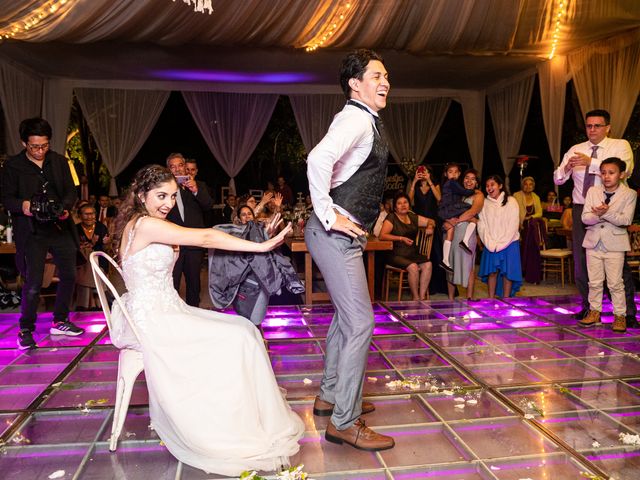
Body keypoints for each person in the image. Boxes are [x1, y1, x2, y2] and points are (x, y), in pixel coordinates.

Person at [109, 165, 303, 475]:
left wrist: (257, 234)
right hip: (155, 319)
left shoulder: (146, 222)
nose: (168, 203)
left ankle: (238, 416)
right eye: (161, 196)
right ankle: (226, 424)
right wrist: (261, 246)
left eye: (173, 196)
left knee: (244, 329)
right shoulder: (145, 225)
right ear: (141, 195)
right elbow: (206, 237)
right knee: (240, 336)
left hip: (166, 308)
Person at [305, 49, 394, 451]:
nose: (385, 82)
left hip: (343, 235)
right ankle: (345, 420)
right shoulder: (355, 117)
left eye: (386, 76)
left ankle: (331, 397)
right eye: (376, 75)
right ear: (355, 84)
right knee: (361, 323)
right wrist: (328, 214)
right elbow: (318, 158)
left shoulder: (365, 121)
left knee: (347, 319)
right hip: (334, 235)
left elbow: (352, 176)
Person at [1, 117, 84, 349]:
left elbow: (70, 191)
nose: (40, 151)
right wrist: (24, 205)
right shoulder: (13, 166)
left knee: (69, 276)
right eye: (34, 146)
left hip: (59, 227)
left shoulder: (58, 161)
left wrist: (65, 208)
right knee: (34, 283)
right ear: (23, 143)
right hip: (31, 231)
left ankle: (60, 320)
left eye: (44, 145)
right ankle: (26, 328)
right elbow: (7, 198)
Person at [554, 109, 634, 322]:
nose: (592, 129)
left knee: (617, 261)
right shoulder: (575, 149)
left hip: (613, 204)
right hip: (583, 208)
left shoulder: (620, 145)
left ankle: (626, 313)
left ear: (607, 127)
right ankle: (589, 307)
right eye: (589, 126)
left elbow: (627, 171)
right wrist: (567, 168)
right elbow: (559, 179)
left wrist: (592, 163)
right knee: (582, 261)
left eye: (597, 125)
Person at [579, 157, 637, 333]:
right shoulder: (592, 191)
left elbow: (625, 220)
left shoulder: (629, 194)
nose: (606, 176)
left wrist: (605, 212)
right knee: (594, 282)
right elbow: (585, 217)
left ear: (621, 174)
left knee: (615, 283)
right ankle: (594, 312)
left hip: (615, 244)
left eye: (611, 173)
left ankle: (620, 315)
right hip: (593, 242)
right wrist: (598, 215)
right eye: (603, 172)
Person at [165, 153, 213, 307]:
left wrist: (196, 190)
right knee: (172, 283)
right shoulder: (164, 189)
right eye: (172, 166)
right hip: (172, 245)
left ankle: (194, 316)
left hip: (194, 245)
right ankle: (173, 316)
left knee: (194, 284)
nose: (177, 169)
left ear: (185, 167)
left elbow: (208, 205)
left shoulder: (199, 185)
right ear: (168, 170)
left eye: (180, 165)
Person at [379, 192, 435, 300]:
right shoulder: (392, 217)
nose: (403, 205)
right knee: (413, 267)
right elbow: (382, 235)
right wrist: (400, 238)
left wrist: (430, 226)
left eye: (405, 202)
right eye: (399, 203)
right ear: (395, 207)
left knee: (428, 264)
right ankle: (415, 298)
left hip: (412, 253)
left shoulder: (412, 217)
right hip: (395, 254)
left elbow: (431, 221)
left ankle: (422, 297)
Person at [478, 175, 523, 298]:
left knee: (507, 273)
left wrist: (502, 243)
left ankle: (506, 300)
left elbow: (513, 224)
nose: (489, 188)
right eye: (487, 186)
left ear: (500, 186)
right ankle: (491, 299)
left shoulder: (511, 201)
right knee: (492, 272)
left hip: (509, 243)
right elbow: (481, 225)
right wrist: (490, 243)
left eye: (492, 184)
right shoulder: (484, 203)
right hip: (491, 243)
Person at [445, 169, 484, 300]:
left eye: (473, 179)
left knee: (469, 266)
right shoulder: (458, 194)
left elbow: (473, 212)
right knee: (450, 264)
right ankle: (450, 298)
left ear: (477, 183)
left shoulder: (478, 195)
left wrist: (455, 221)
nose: (469, 181)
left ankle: (469, 298)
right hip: (453, 233)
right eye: (467, 178)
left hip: (467, 233)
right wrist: (449, 221)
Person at [408, 164, 447, 295]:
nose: (422, 173)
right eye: (420, 171)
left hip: (433, 222)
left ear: (429, 172)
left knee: (436, 254)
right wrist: (414, 181)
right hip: (418, 223)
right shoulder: (416, 186)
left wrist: (429, 181)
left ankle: (438, 287)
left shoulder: (434, 185)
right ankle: (421, 286)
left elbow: (440, 199)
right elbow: (409, 201)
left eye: (425, 171)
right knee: (420, 253)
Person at [438, 163, 477, 272]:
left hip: (446, 210)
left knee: (450, 231)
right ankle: (464, 241)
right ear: (446, 174)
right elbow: (463, 191)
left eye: (456, 172)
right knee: (474, 216)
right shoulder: (452, 182)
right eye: (450, 172)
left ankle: (445, 260)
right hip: (451, 209)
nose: (453, 174)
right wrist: (474, 191)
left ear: (459, 173)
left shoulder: (447, 184)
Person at [75, 204, 110, 310]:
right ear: (80, 215)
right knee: (89, 264)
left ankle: (96, 302)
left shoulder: (101, 227)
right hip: (81, 260)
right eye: (86, 214)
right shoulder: (76, 229)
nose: (90, 217)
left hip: (99, 259)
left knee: (94, 262)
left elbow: (106, 247)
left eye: (92, 214)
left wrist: (106, 243)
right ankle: (91, 302)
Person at [513, 176, 547, 283]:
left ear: (533, 186)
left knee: (533, 249)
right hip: (519, 227)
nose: (528, 186)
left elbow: (539, 213)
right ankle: (519, 273)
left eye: (530, 184)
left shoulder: (536, 197)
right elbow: (514, 211)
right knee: (520, 251)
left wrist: (530, 217)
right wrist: (520, 222)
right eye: (526, 184)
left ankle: (532, 275)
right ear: (522, 185)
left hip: (531, 228)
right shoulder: (516, 195)